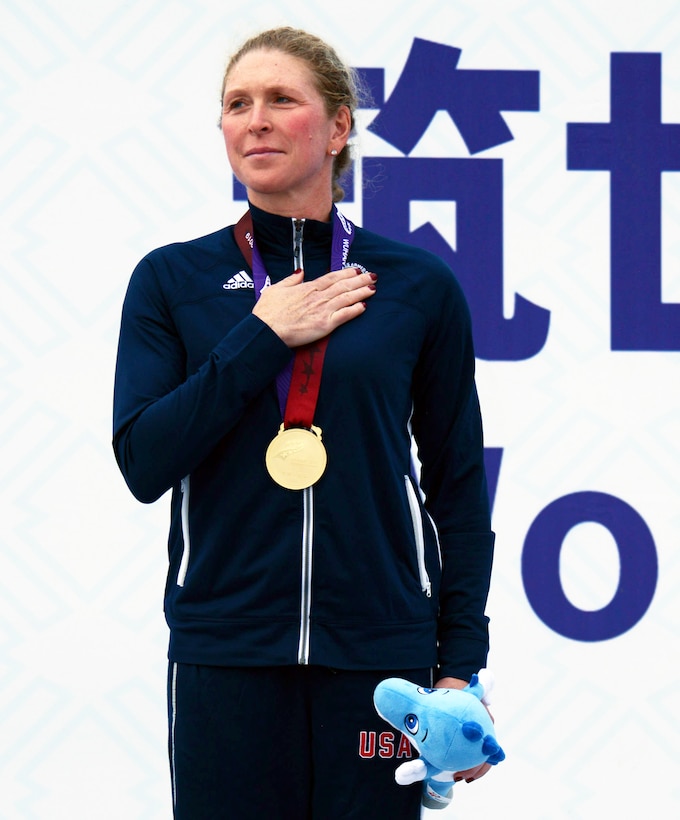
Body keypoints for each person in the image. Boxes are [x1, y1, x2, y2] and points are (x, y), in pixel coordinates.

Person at [113, 25, 495, 820]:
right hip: (228, 655)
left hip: (382, 668)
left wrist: (459, 668)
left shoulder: (417, 285)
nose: (254, 119)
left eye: (282, 100)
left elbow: (457, 485)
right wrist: (261, 335)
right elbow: (145, 459)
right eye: (236, 104)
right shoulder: (169, 280)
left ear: (337, 127)